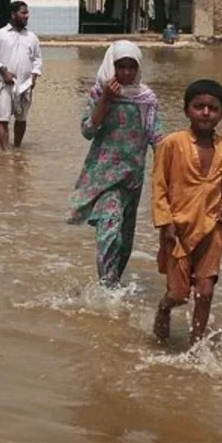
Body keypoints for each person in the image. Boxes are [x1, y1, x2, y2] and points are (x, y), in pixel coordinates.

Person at [67, 40, 165, 288]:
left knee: (124, 237)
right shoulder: (100, 93)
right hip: (104, 176)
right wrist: (106, 100)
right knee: (109, 227)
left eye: (131, 68)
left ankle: (112, 285)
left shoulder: (146, 100)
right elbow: (88, 130)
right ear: (111, 67)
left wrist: (169, 171)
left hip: (132, 178)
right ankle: (106, 286)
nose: (126, 73)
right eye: (120, 67)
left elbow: (157, 137)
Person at [151, 79, 222, 345]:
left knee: (205, 290)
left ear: (221, 113)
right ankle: (165, 307)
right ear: (186, 110)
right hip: (178, 230)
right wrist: (165, 222)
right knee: (179, 293)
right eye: (198, 106)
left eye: (212, 108)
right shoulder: (172, 144)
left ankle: (196, 344)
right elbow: (159, 185)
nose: (205, 113)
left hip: (213, 227)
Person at [0, 1, 42, 150]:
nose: (26, 16)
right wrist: (3, 71)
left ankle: (17, 148)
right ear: (13, 14)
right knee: (3, 118)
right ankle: (5, 152)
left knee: (21, 119)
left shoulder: (32, 37)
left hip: (25, 85)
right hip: (4, 84)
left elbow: (37, 59)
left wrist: (34, 77)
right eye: (23, 13)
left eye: (27, 13)